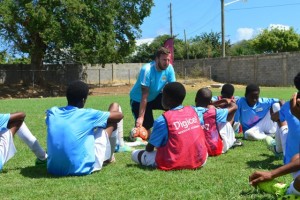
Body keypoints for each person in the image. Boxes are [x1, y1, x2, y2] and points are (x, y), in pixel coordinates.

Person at [46, 80, 123, 176]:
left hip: (53, 168)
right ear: (83, 100)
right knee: (113, 115)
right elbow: (119, 116)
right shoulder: (88, 114)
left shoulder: (53, 112)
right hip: (81, 168)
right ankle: (110, 157)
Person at [131, 82, 208, 170]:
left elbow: (149, 148)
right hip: (201, 159)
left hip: (174, 162)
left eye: (162, 96)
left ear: (167, 99)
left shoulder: (163, 119)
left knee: (134, 154)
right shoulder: (193, 111)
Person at [129, 47, 176, 136]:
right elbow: (145, 95)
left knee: (172, 102)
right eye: (164, 60)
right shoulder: (147, 70)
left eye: (168, 60)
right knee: (146, 133)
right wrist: (140, 117)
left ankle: (173, 128)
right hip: (139, 100)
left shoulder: (169, 68)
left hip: (155, 96)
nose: (166, 63)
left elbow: (173, 89)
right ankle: (139, 130)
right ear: (156, 59)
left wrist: (177, 110)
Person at [195, 87, 242, 156]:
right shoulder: (214, 112)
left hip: (197, 148)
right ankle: (232, 140)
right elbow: (234, 106)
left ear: (196, 99)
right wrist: (216, 103)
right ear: (210, 101)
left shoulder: (190, 111)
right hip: (215, 148)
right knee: (221, 122)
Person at [270, 73, 300, 161]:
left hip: (291, 159)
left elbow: (274, 118)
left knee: (281, 121)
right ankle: (277, 148)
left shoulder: (289, 105)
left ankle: (277, 149)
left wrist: (282, 109)